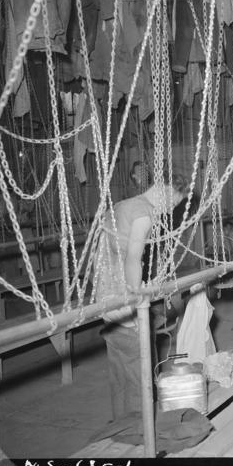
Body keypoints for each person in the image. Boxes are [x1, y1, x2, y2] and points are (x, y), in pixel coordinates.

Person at [95, 170, 189, 420]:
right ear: (168, 191)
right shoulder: (143, 213)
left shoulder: (122, 205)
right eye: (174, 203)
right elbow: (133, 260)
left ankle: (122, 422)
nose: (171, 210)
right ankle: (140, 427)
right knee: (139, 368)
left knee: (120, 370)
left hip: (105, 294)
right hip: (122, 298)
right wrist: (136, 303)